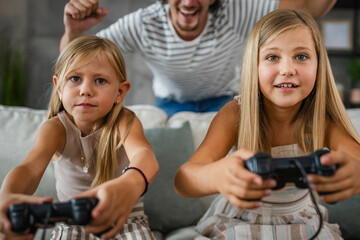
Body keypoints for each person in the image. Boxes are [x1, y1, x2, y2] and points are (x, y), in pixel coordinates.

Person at [174, 9, 360, 239]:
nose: (287, 69)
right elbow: (184, 180)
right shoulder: (236, 114)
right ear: (255, 66)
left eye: (301, 56)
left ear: (319, 66)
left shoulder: (322, 120)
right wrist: (217, 175)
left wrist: (355, 172)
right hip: (240, 221)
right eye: (272, 57)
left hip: (303, 223)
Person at [0, 36, 159, 240]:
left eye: (100, 81)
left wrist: (129, 184)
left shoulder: (124, 120)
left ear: (120, 92)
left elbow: (144, 155)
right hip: (71, 223)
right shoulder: (55, 128)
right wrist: (7, 197)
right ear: (59, 86)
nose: (85, 90)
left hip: (125, 220)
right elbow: (30, 169)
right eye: (75, 78)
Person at [60, 0, 337, 117]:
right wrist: (73, 32)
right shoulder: (144, 24)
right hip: (171, 106)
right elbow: (74, 65)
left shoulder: (234, 12)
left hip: (227, 103)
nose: (189, 1)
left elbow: (309, 8)